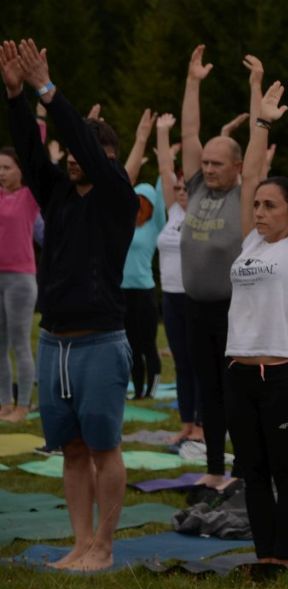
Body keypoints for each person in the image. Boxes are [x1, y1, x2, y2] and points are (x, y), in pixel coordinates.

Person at [3, 38, 138, 571]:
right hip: (54, 339)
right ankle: (80, 542)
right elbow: (32, 153)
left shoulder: (117, 197)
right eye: (76, 156)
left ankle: (104, 547)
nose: (78, 162)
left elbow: (80, 140)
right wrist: (15, 95)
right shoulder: (58, 193)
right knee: (72, 450)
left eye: (90, 155)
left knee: (103, 448)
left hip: (100, 343)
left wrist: (48, 90)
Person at [225, 76, 288, 577]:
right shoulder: (249, 244)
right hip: (239, 373)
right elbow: (248, 179)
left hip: (280, 375)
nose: (260, 211)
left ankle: (280, 558)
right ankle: (262, 554)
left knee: (284, 471)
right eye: (258, 205)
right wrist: (261, 121)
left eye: (270, 206)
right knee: (252, 472)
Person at [180, 47, 258, 488]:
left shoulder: (243, 195)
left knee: (236, 392)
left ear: (238, 168)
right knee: (206, 390)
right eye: (205, 162)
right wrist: (193, 82)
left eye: (216, 164)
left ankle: (244, 469)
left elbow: (258, 147)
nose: (207, 168)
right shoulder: (196, 188)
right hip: (196, 307)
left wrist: (254, 91)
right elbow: (190, 131)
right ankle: (213, 468)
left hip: (234, 309)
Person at [154, 113, 202, 443]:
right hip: (170, 296)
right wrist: (161, 132)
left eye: (186, 187)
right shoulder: (173, 211)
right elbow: (163, 170)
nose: (181, 192)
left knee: (199, 362)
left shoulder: (202, 211)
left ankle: (201, 423)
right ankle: (186, 422)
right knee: (182, 363)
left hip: (196, 296)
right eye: (178, 188)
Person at [120, 110, 166, 400]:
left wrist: (164, 159)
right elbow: (120, 188)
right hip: (121, 292)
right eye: (134, 200)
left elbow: (163, 194)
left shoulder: (155, 226)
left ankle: (152, 387)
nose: (138, 206)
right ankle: (136, 390)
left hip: (145, 292)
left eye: (143, 201)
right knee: (129, 344)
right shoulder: (123, 225)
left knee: (147, 343)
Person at [0, 144, 39, 423]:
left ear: (20, 171)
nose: (1, 173)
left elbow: (34, 154)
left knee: (20, 344)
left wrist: (38, 121)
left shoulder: (28, 197)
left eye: (6, 167)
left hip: (21, 281)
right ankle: (4, 403)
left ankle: (23, 405)